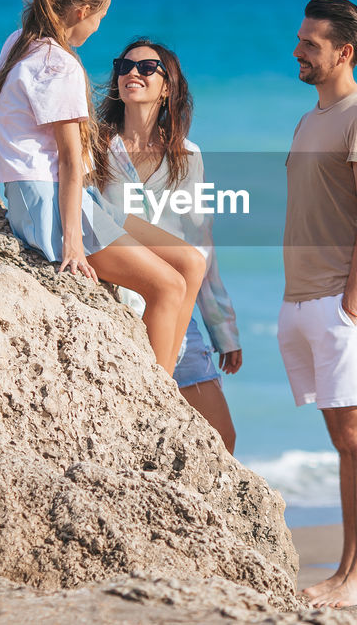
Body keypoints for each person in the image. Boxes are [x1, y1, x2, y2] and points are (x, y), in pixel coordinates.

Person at [0, 0, 205, 374]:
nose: (97, 28)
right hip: (53, 202)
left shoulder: (19, 42)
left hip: (66, 197)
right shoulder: (58, 64)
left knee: (189, 261)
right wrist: (74, 245)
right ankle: (155, 397)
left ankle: (165, 389)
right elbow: (67, 158)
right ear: (82, 12)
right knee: (167, 285)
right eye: (100, 17)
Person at [277, 0, 357, 608]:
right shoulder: (310, 119)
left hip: (343, 301)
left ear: (343, 52)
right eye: (300, 40)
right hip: (305, 298)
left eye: (310, 44)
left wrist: (350, 304)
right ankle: (347, 572)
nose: (297, 51)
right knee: (343, 440)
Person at [94, 38, 242, 452]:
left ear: (168, 87)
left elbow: (201, 242)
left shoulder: (187, 156)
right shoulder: (96, 146)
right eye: (124, 66)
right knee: (139, 438)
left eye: (147, 67)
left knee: (220, 440)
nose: (132, 74)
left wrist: (223, 329)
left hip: (178, 315)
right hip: (117, 307)